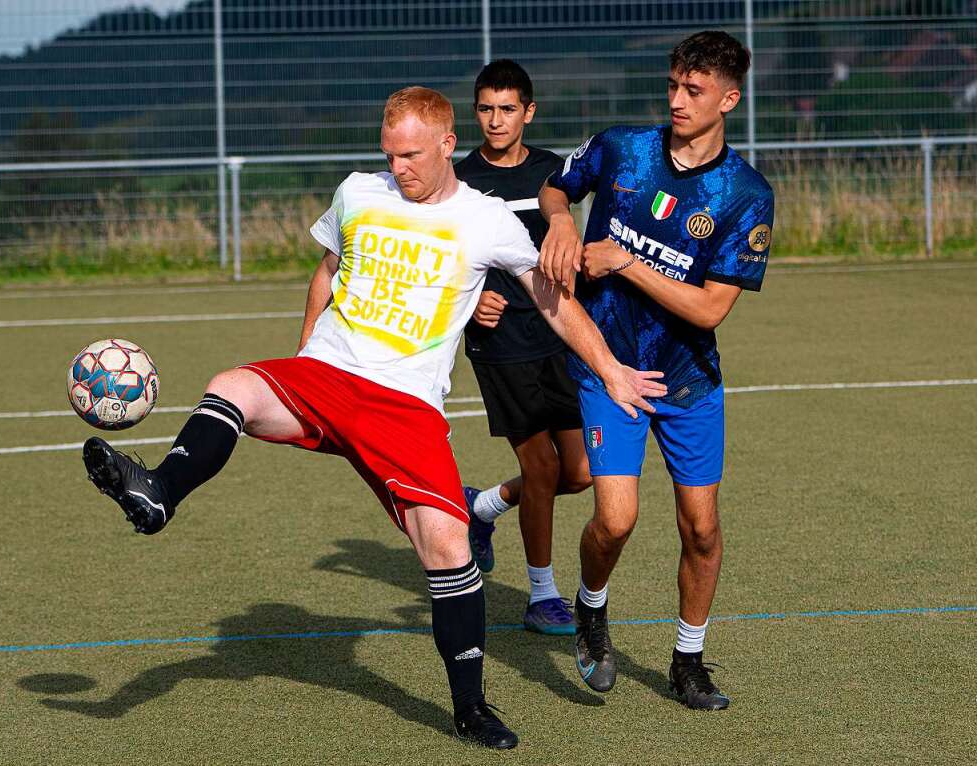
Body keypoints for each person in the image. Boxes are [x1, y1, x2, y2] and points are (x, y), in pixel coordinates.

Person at [81, 86, 666, 750]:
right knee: (232, 385)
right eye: (390, 154)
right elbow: (327, 271)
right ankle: (158, 493)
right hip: (328, 375)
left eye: (412, 154)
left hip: (406, 405)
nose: (400, 167)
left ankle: (470, 708)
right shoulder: (358, 191)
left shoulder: (487, 219)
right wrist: (304, 356)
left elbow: (554, 301)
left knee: (448, 552)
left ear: (447, 144)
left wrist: (612, 368)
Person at [538, 31, 774, 709]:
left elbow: (708, 310)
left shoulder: (746, 195)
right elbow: (557, 188)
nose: (676, 99)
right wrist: (559, 222)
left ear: (729, 98)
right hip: (607, 365)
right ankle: (590, 608)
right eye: (672, 85)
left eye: (693, 90)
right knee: (614, 520)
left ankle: (688, 659)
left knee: (701, 526)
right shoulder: (621, 147)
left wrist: (625, 261)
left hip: (689, 383)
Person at [454, 59, 591, 636]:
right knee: (539, 466)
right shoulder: (455, 181)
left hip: (557, 333)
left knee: (580, 472)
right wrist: (469, 302)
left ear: (528, 113)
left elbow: (571, 244)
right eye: (486, 108)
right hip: (499, 340)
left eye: (507, 109)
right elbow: (438, 259)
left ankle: (481, 508)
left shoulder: (552, 175)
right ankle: (542, 596)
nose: (495, 120)